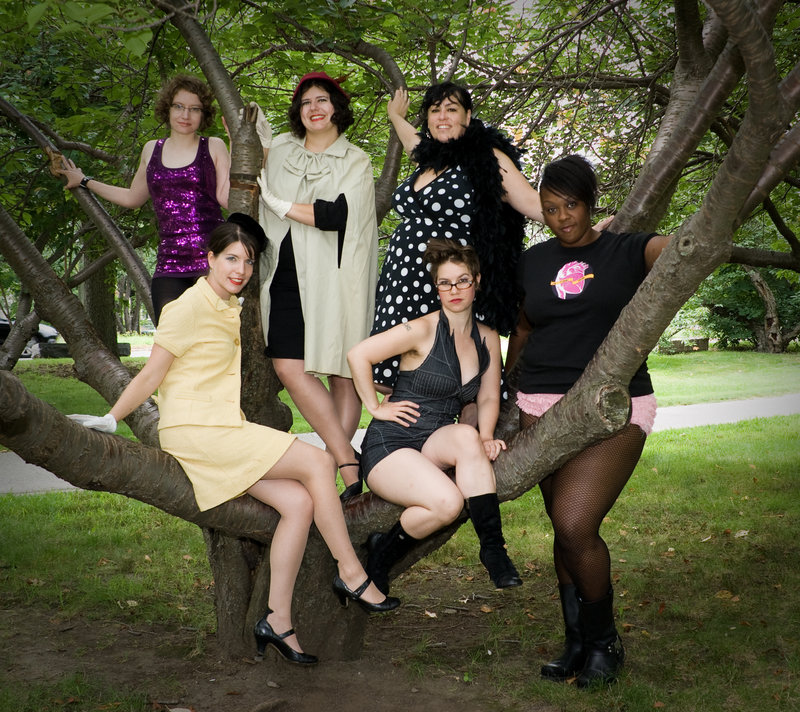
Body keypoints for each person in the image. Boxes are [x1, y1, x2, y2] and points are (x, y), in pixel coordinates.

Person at [68, 214, 399, 666]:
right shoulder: (186, 307)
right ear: (209, 258)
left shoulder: (230, 305)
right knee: (319, 464)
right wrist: (112, 417)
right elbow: (152, 373)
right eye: (230, 259)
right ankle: (351, 572)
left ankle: (277, 619)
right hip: (198, 431)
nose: (240, 269)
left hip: (224, 427)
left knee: (299, 505)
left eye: (248, 260)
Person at [505, 155, 671, 688]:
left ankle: (605, 642)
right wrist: (507, 391)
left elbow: (681, 249)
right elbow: (524, 328)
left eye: (570, 205)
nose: (561, 218)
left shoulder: (624, 249)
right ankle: (577, 640)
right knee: (564, 531)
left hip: (611, 409)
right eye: (550, 209)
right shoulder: (533, 261)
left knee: (576, 524)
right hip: (537, 408)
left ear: (590, 201)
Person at [348, 239, 522, 595]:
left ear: (477, 280)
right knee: (447, 503)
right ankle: (381, 556)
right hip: (392, 444)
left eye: (462, 280)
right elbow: (358, 355)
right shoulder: (423, 329)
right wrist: (375, 407)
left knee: (467, 436)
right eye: (445, 283)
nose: (454, 290)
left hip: (435, 438)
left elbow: (488, 395)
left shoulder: (487, 338)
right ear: (436, 288)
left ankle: (494, 551)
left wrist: (487, 434)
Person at [370, 82, 545, 390]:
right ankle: (400, 435)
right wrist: (394, 115)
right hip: (401, 282)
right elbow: (413, 141)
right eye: (435, 111)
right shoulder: (431, 158)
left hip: (443, 284)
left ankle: (450, 433)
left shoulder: (486, 159)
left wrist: (586, 227)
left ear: (469, 115)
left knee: (437, 379)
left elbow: (534, 203)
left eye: (451, 109)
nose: (442, 117)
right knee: (394, 383)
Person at [256, 72, 378, 500]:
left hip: (336, 279)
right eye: (306, 102)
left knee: (342, 374)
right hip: (285, 273)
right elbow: (249, 167)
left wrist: (283, 205)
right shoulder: (283, 151)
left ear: (336, 108)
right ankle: (345, 459)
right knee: (288, 365)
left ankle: (334, 471)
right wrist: (251, 134)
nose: (314, 108)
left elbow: (339, 215)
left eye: (322, 100)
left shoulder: (356, 161)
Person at [56, 74, 230, 324]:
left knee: (214, 342)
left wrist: (237, 142)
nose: (185, 115)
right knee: (171, 340)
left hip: (213, 263)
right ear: (167, 108)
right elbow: (132, 197)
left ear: (203, 114)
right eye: (179, 106)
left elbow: (226, 197)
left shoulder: (213, 146)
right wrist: (84, 180)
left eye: (194, 109)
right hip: (169, 264)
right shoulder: (152, 149)